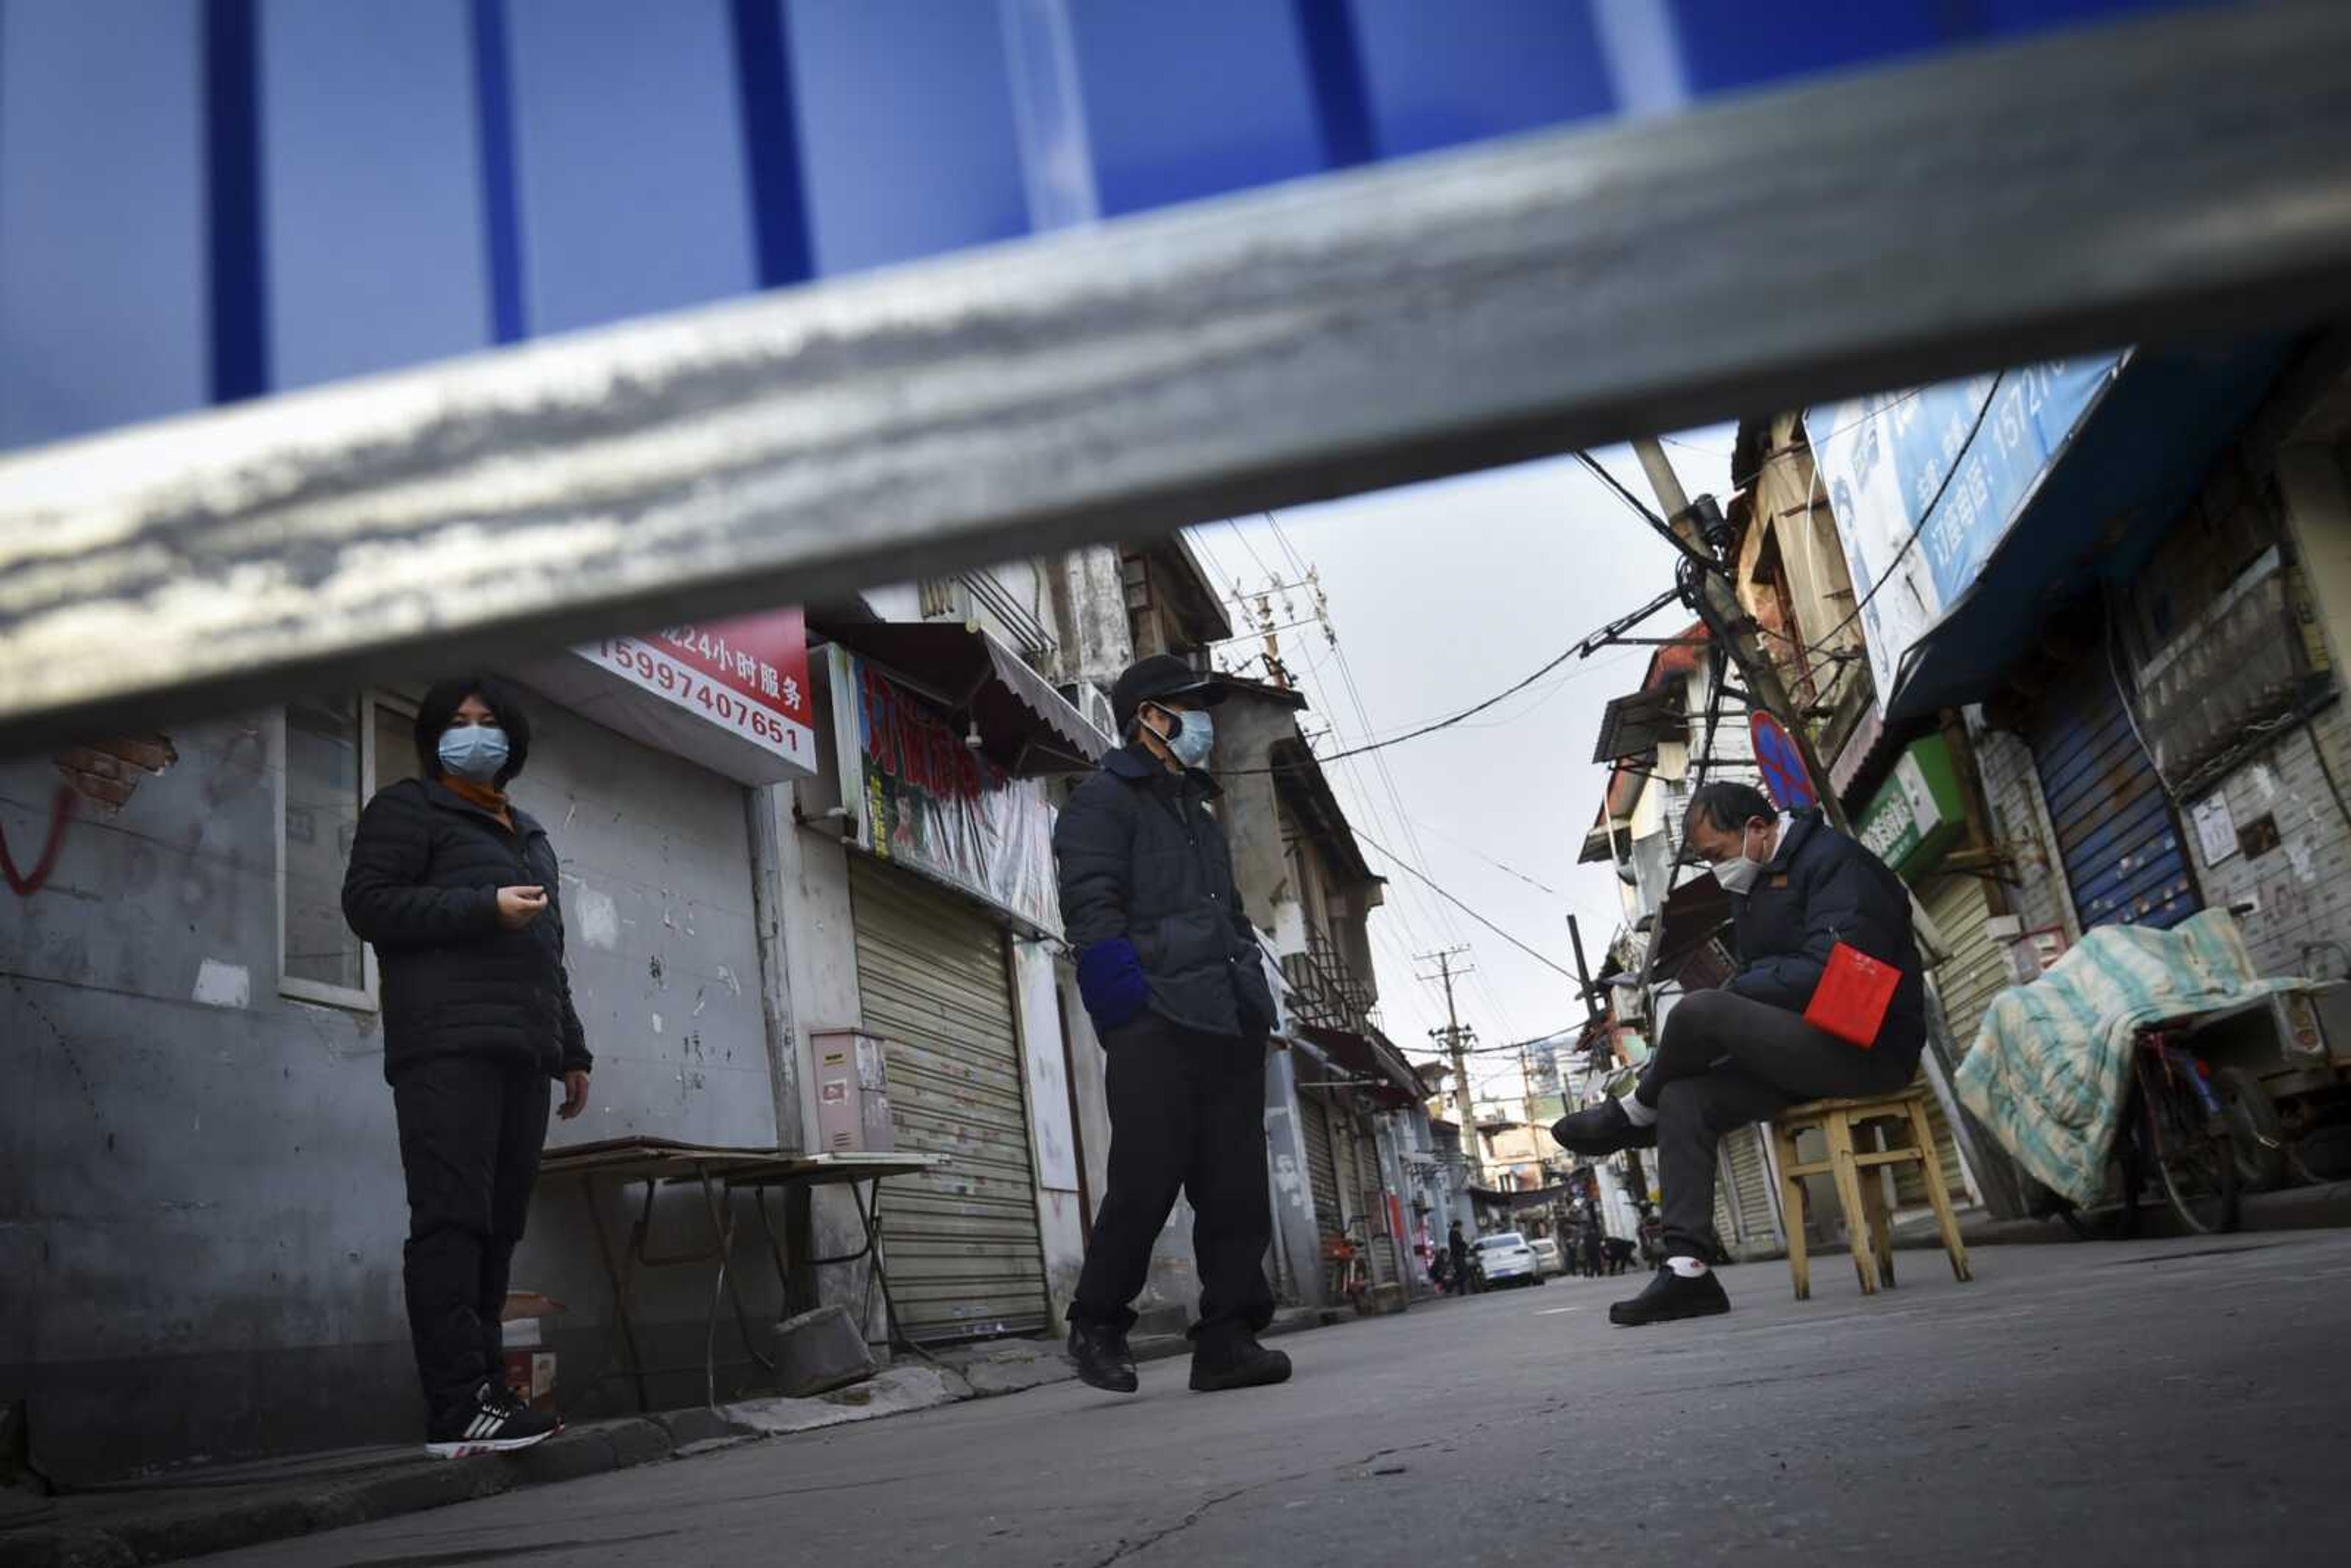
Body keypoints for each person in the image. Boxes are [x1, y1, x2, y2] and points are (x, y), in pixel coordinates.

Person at [1552, 781, 1924, 1326]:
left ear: (1757, 827)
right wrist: (1747, 997)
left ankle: (1633, 1111)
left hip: (1865, 1045)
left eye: (1716, 855)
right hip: (1804, 1047)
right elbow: (1766, 976)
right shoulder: (1753, 884)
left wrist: (1741, 994)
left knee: (1703, 1010)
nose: (1716, 868)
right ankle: (1688, 1270)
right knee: (1685, 1094)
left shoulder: (1837, 864)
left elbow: (1833, 971)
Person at [342, 677, 592, 1455]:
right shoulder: (408, 809)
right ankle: (456, 1406)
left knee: (496, 1229)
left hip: (524, 1049)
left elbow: (547, 952)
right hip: (445, 1046)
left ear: (512, 743)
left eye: (489, 723)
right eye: (458, 722)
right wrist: (482, 905)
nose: (474, 733)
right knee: (450, 1220)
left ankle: (488, 1392)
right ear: (433, 736)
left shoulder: (529, 831)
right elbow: (369, 905)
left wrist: (572, 1048)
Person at [1053, 655, 1291, 1395]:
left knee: (1236, 1185)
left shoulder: (1199, 811)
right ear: (1148, 716)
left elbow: (1229, 916)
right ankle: (1097, 1322)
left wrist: (1255, 1001)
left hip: (1225, 1017)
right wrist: (1126, 1012)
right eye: (1188, 706)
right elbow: (1091, 912)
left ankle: (1226, 1336)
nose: (1203, 723)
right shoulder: (1101, 802)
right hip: (1156, 1019)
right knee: (1145, 1179)